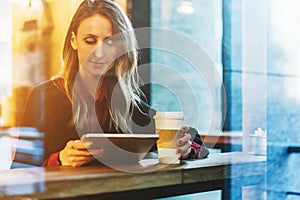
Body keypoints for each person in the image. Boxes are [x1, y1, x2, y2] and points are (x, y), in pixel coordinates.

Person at [21, 0, 208, 167]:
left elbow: (200, 146)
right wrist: (60, 159)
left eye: (110, 43)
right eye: (90, 40)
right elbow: (20, 169)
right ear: (73, 41)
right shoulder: (44, 96)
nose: (99, 53)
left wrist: (186, 148)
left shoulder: (125, 103)